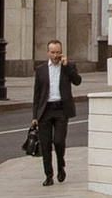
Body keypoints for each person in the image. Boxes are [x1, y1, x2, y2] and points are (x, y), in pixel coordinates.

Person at [30, 37, 81, 185]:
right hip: (45, 110)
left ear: (62, 52)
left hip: (61, 110)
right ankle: (48, 175)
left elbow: (77, 81)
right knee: (45, 144)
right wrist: (35, 115)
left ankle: (61, 166)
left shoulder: (68, 66)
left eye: (58, 52)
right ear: (47, 52)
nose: (55, 55)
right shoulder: (41, 70)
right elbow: (37, 93)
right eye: (52, 52)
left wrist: (66, 67)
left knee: (59, 142)